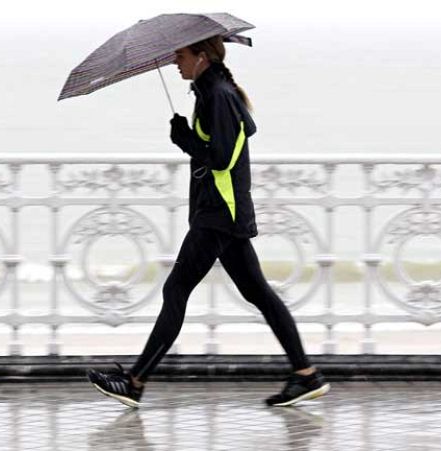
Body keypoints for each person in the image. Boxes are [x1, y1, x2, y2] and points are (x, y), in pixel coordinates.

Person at [87, 35, 330, 408]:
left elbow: (220, 158)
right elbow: (219, 152)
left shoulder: (217, 94)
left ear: (201, 56)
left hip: (218, 214)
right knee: (259, 294)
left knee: (176, 290)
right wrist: (187, 138)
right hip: (222, 213)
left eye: (180, 55)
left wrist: (184, 139)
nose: (174, 61)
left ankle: (135, 382)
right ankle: (305, 375)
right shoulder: (211, 91)